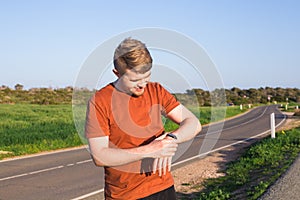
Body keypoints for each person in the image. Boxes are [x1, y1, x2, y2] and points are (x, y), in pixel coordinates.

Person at [85, 38, 202, 200]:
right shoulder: (100, 101)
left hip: (163, 187)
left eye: (146, 77)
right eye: (134, 80)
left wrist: (171, 139)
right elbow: (100, 156)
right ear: (117, 73)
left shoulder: (156, 90)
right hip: (125, 195)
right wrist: (150, 150)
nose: (142, 85)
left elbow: (194, 123)